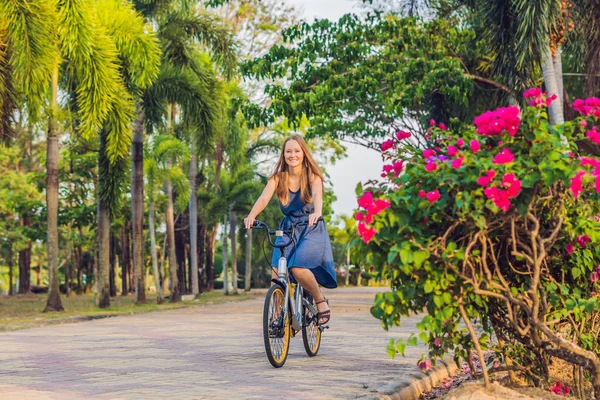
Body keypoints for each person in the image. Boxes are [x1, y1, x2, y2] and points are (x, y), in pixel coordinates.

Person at [244, 134, 337, 325]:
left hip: (311, 226)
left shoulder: (312, 175)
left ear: (303, 153)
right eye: (288, 151)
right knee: (276, 274)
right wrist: (252, 215)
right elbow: (263, 199)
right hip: (288, 229)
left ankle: (319, 300)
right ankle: (277, 317)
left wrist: (317, 212)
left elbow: (318, 195)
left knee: (298, 268)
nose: (292, 155)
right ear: (283, 154)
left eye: (296, 150)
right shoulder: (278, 178)